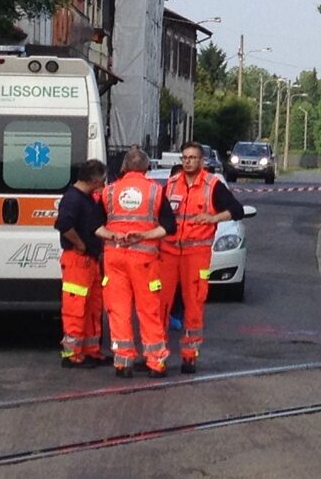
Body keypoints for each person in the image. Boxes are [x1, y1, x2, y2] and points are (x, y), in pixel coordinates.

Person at [160, 141, 244, 374]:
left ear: (202, 161)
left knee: (194, 304)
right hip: (168, 252)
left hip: (196, 254)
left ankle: (189, 356)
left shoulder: (213, 185)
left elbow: (236, 210)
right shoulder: (171, 184)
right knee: (160, 304)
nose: (188, 161)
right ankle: (157, 355)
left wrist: (213, 218)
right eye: (185, 157)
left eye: (193, 158)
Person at [96, 148, 176, 379]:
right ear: (147, 168)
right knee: (149, 310)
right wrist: (144, 236)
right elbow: (169, 226)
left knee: (118, 310)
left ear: (123, 168)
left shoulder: (109, 192)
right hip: (145, 261)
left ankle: (123, 362)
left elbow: (94, 225)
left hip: (115, 258)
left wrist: (113, 235)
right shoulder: (155, 191)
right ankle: (155, 362)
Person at [54, 159, 108, 369]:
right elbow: (63, 224)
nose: (103, 183)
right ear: (94, 180)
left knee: (93, 307)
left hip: (90, 260)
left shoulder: (85, 198)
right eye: (101, 180)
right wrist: (80, 244)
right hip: (78, 260)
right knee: (75, 309)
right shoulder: (73, 198)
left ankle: (90, 351)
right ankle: (72, 355)